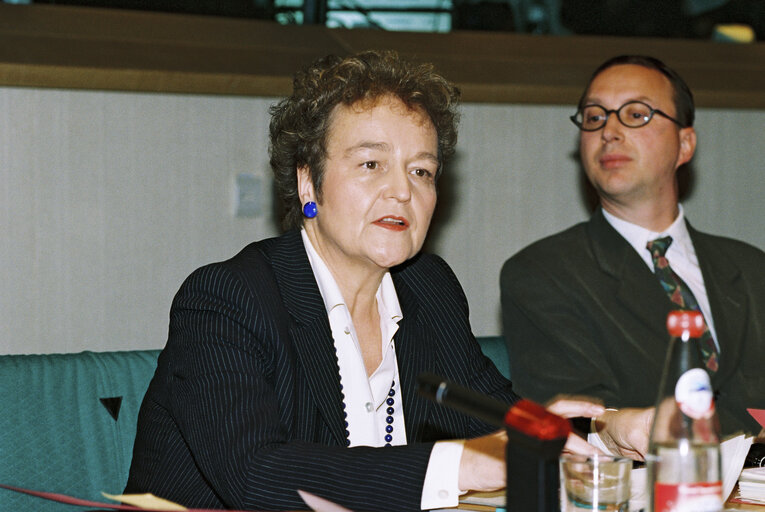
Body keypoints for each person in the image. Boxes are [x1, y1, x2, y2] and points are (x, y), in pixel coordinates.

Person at [125, 50, 645, 512]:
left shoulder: (427, 288)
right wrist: (459, 466)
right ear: (308, 179)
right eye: (372, 163)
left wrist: (603, 433)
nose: (401, 191)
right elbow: (257, 475)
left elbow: (498, 425)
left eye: (421, 171)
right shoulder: (227, 300)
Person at [501, 55, 765, 438]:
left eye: (636, 114)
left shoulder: (752, 268)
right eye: (594, 117)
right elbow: (582, 422)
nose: (609, 130)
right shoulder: (543, 273)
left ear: (685, 144)